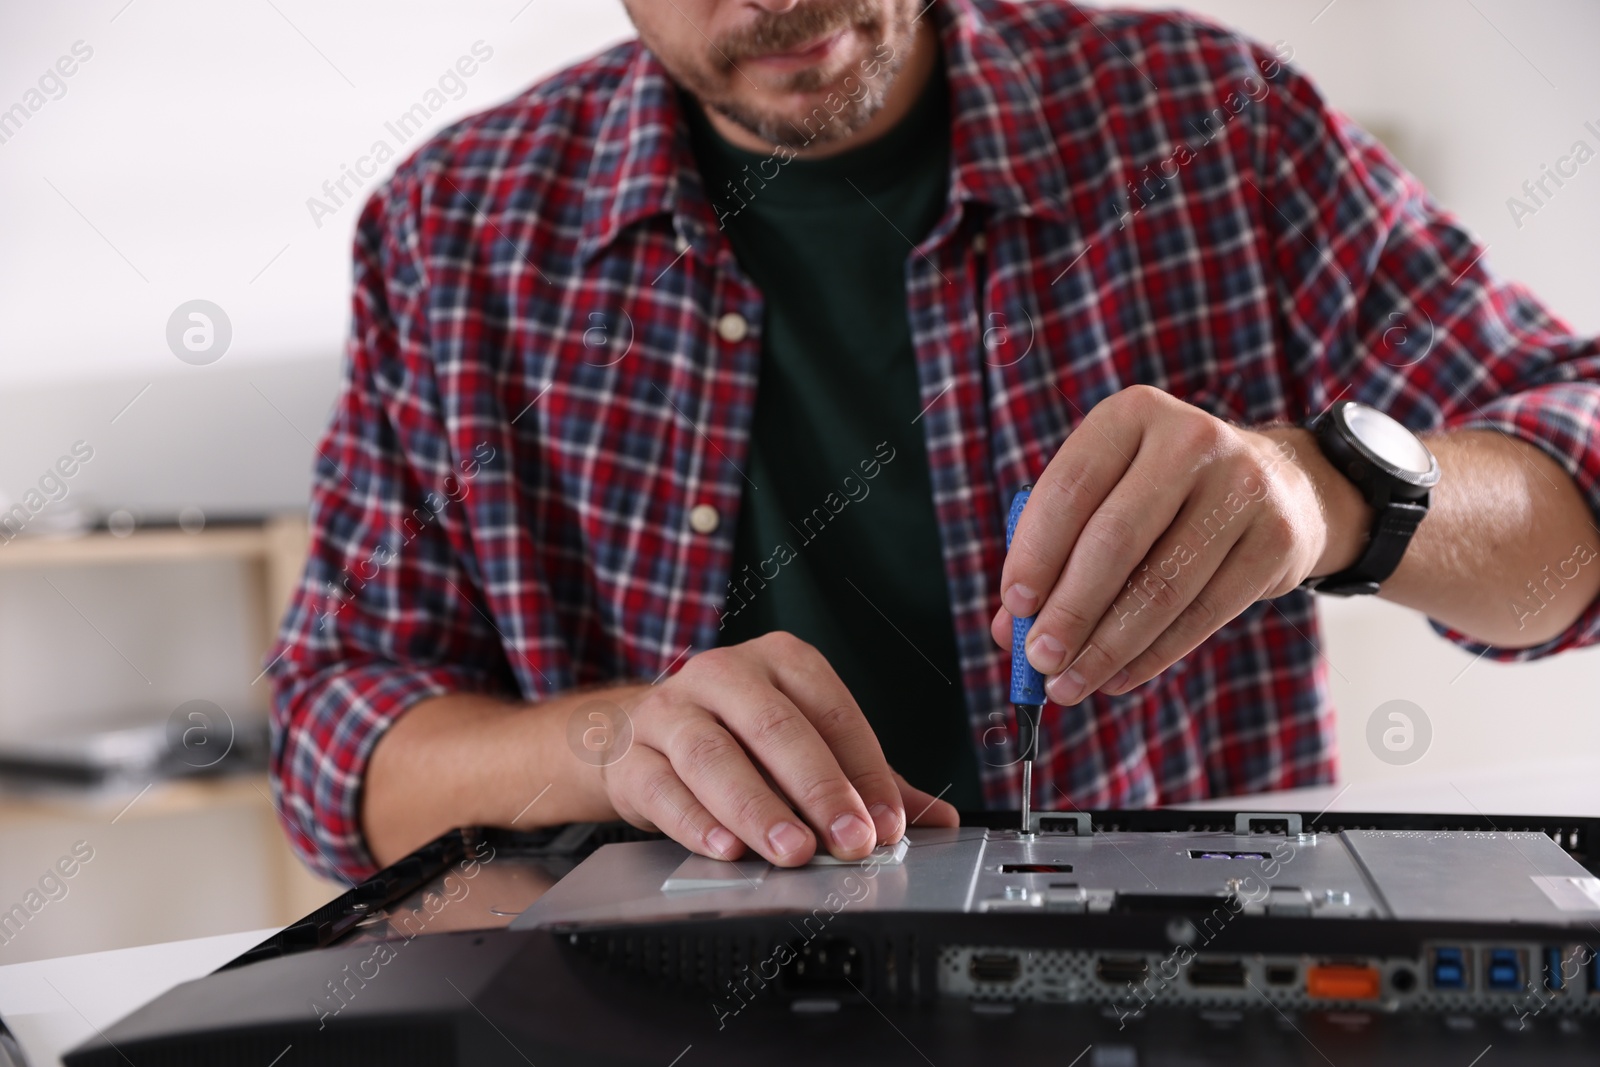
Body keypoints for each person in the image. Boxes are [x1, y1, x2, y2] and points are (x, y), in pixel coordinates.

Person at [268, 0, 1600, 882]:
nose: (767, 4)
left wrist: (1334, 496)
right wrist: (615, 746)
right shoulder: (452, 233)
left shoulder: (1214, 123)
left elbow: (1580, 490)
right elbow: (339, 743)